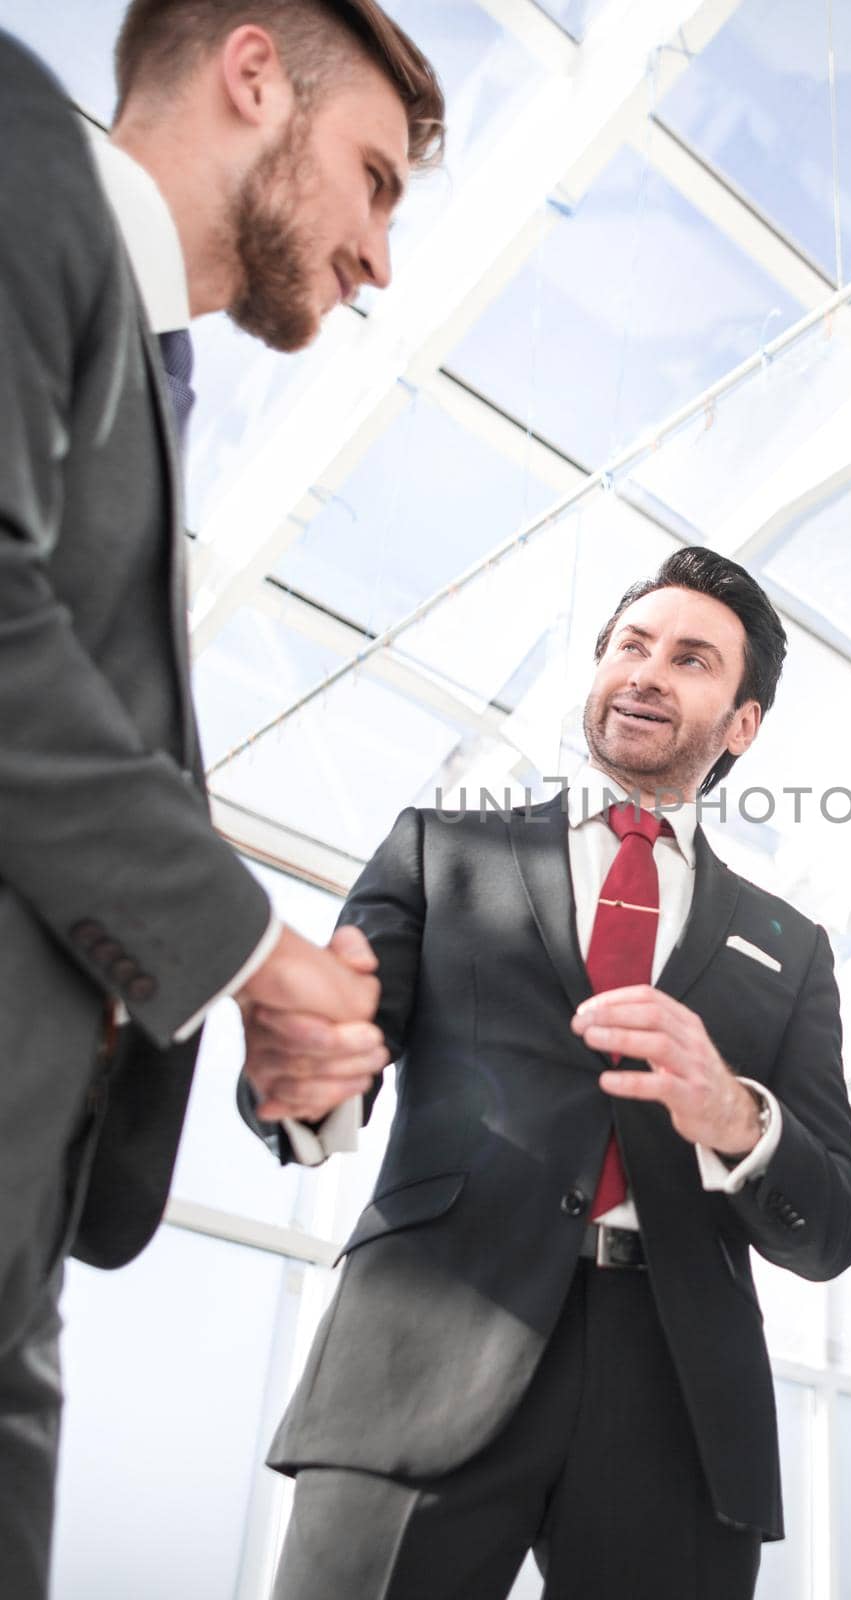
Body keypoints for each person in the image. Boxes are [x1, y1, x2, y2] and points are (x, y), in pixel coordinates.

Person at [0, 5, 442, 1593]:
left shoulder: (153, 377)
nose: (380, 256)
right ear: (254, 76)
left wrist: (239, 991)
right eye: (374, 182)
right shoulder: (12, 154)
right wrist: (257, 957)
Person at [238, 547, 851, 1600]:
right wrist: (303, 1078)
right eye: (631, 645)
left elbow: (836, 1221)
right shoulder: (440, 850)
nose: (647, 672)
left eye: (691, 659)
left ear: (743, 724)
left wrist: (732, 1115)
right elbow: (334, 1046)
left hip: (680, 1397)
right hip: (425, 1345)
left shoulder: (789, 945)